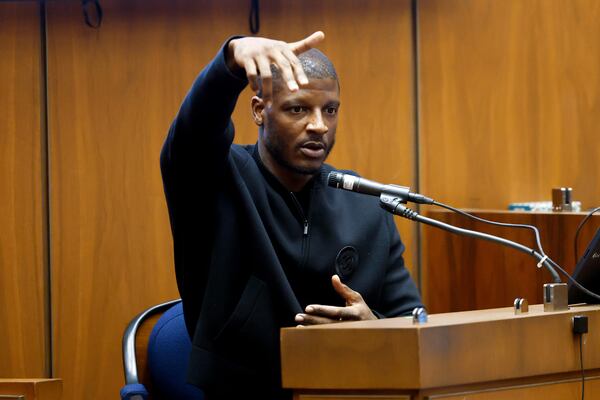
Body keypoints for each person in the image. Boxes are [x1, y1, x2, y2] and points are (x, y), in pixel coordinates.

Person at [160, 31, 423, 400]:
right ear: (259, 111)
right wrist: (230, 61)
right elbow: (193, 132)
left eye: (329, 110)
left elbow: (414, 322)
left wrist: (374, 327)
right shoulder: (216, 177)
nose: (319, 125)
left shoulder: (365, 202)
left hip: (347, 390)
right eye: (298, 108)